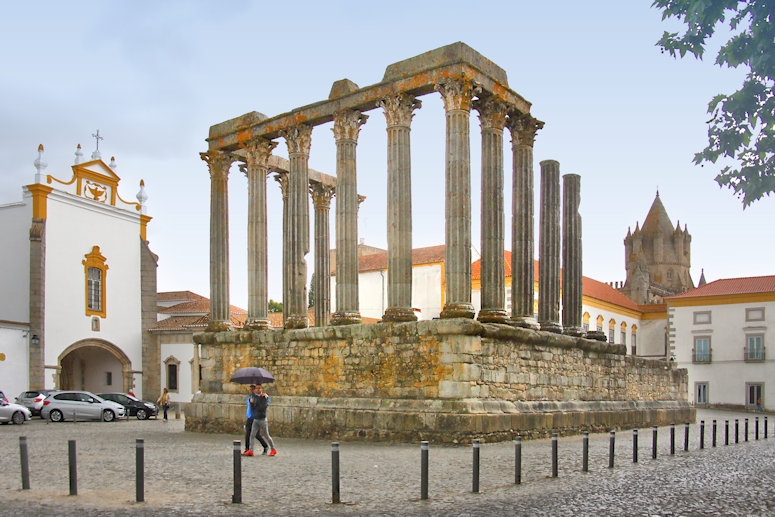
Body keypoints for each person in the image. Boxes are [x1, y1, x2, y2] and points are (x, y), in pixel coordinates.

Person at [250, 384, 277, 456]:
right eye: (256, 388)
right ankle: (251, 450)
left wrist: (260, 400)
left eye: (259, 388)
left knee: (266, 435)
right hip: (256, 419)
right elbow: (253, 409)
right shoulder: (254, 397)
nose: (258, 390)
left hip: (262, 419)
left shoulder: (265, 397)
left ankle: (273, 449)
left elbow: (263, 407)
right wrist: (251, 403)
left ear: (262, 389)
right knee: (252, 435)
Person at [242, 384, 267, 456]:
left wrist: (253, 402)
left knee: (256, 435)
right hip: (249, 417)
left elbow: (259, 406)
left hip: (255, 418)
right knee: (247, 434)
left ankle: (265, 446)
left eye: (251, 389)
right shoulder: (250, 397)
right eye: (249, 389)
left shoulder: (258, 398)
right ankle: (247, 449)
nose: (250, 391)